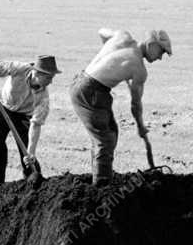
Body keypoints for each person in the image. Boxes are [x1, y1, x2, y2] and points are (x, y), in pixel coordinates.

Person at [69, 28, 171, 185]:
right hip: (93, 91)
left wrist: (110, 57)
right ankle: (101, 188)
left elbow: (102, 31)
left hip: (81, 81)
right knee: (105, 140)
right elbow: (135, 105)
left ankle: (99, 176)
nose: (160, 58)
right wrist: (141, 127)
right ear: (151, 44)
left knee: (109, 133)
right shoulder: (139, 69)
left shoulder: (123, 35)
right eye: (161, 52)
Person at [0, 55, 61, 182]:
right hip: (2, 109)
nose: (51, 81)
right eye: (49, 77)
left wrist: (31, 151)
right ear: (37, 73)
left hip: (24, 117)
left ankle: (33, 185)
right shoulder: (19, 68)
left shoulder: (43, 97)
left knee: (28, 158)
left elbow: (36, 124)